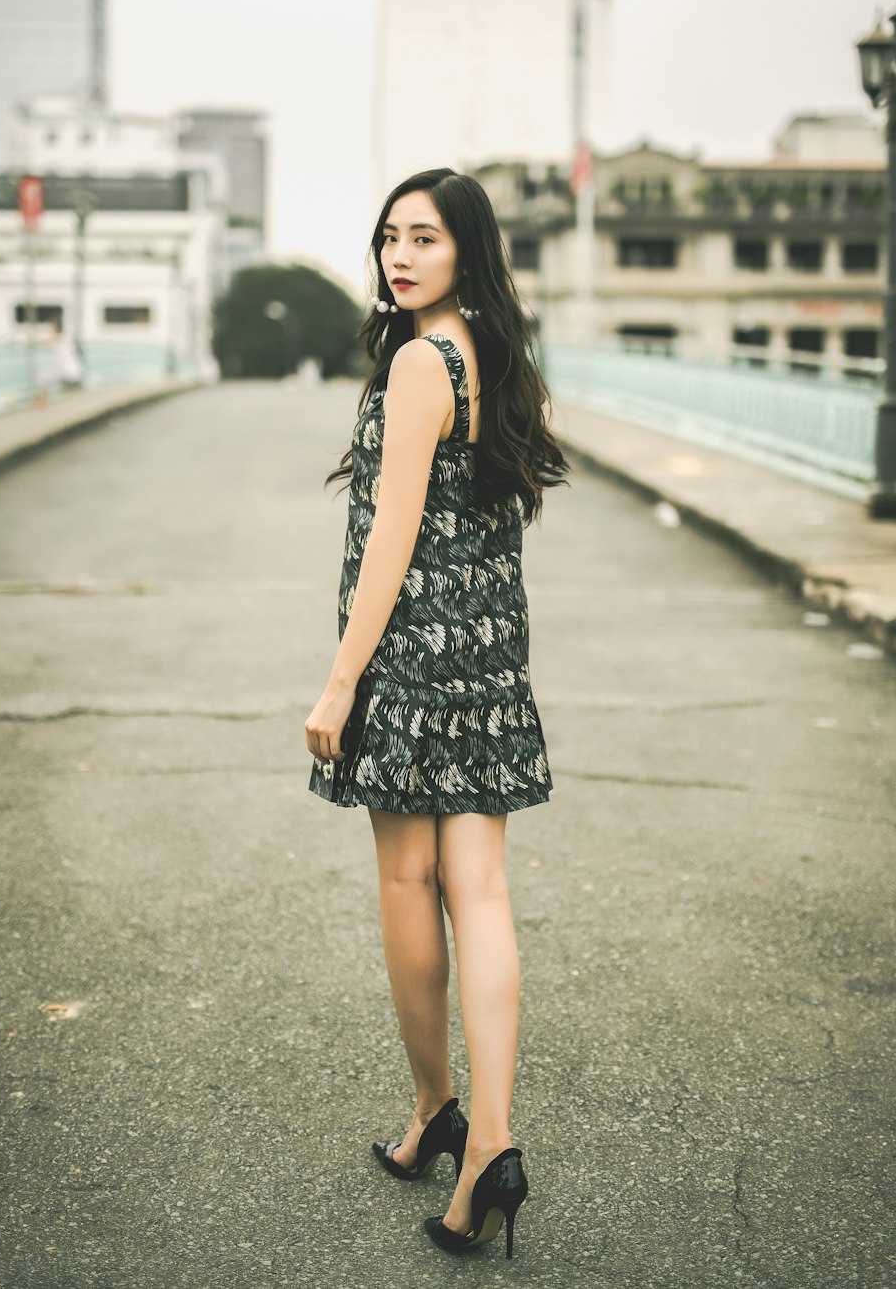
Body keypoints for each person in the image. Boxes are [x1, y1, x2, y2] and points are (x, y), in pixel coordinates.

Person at [304, 166, 569, 1260]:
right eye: (387, 238)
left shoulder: (419, 361)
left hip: (413, 665)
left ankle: (438, 1113)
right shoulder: (499, 354)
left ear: (466, 250)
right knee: (486, 892)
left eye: (423, 238)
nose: (398, 256)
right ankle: (486, 1150)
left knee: (411, 882)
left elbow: (392, 538)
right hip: (493, 658)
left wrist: (339, 680)